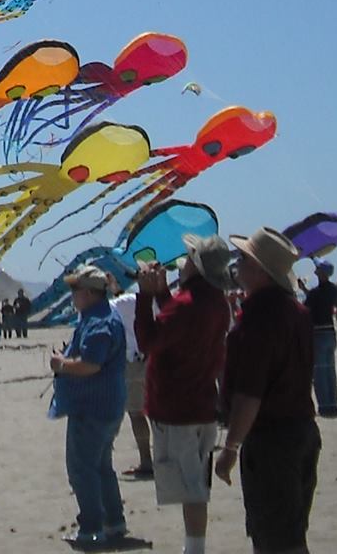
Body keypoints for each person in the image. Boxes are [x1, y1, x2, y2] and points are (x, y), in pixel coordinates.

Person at [213, 228, 318, 554]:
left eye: (243, 259)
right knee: (290, 528)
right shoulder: (295, 311)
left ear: (260, 269)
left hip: (273, 439)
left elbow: (250, 394)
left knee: (275, 537)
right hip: (302, 430)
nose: (237, 264)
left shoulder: (259, 317)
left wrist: (230, 448)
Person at [134, 233, 234, 554]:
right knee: (193, 479)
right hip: (201, 404)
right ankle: (193, 545)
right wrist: (162, 293)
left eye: (190, 257)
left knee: (191, 486)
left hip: (179, 408)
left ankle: (195, 548)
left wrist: (143, 297)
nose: (184, 261)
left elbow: (149, 340)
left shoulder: (189, 304)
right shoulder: (215, 302)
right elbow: (175, 328)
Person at [49, 265, 132, 549]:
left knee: (82, 469)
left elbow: (90, 365)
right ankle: (114, 522)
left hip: (93, 407)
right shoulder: (99, 317)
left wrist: (61, 364)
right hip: (106, 405)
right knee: (101, 466)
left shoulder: (99, 322)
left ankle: (92, 528)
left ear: (86, 293)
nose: (72, 296)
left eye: (75, 291)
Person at [108, 284, 154, 478]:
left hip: (131, 360)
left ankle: (146, 461)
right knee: (155, 412)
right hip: (150, 357)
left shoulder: (112, 306)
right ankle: (162, 458)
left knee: (136, 413)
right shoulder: (146, 301)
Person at [304, 260, 337, 417]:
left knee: (320, 372)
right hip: (329, 332)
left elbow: (306, 308)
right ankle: (333, 404)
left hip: (318, 333)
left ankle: (325, 406)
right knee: (329, 370)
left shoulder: (315, 293)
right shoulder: (334, 290)